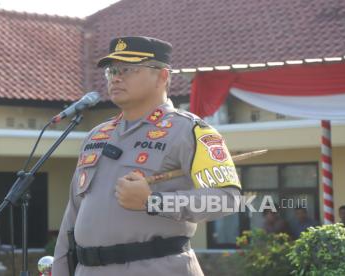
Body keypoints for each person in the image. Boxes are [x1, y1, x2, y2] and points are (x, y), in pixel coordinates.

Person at [52, 36, 241, 276]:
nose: (116, 77)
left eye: (128, 69)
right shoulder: (96, 136)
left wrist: (153, 201)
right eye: (112, 71)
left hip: (156, 267)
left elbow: (227, 198)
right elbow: (72, 215)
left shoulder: (190, 131)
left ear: (162, 76)